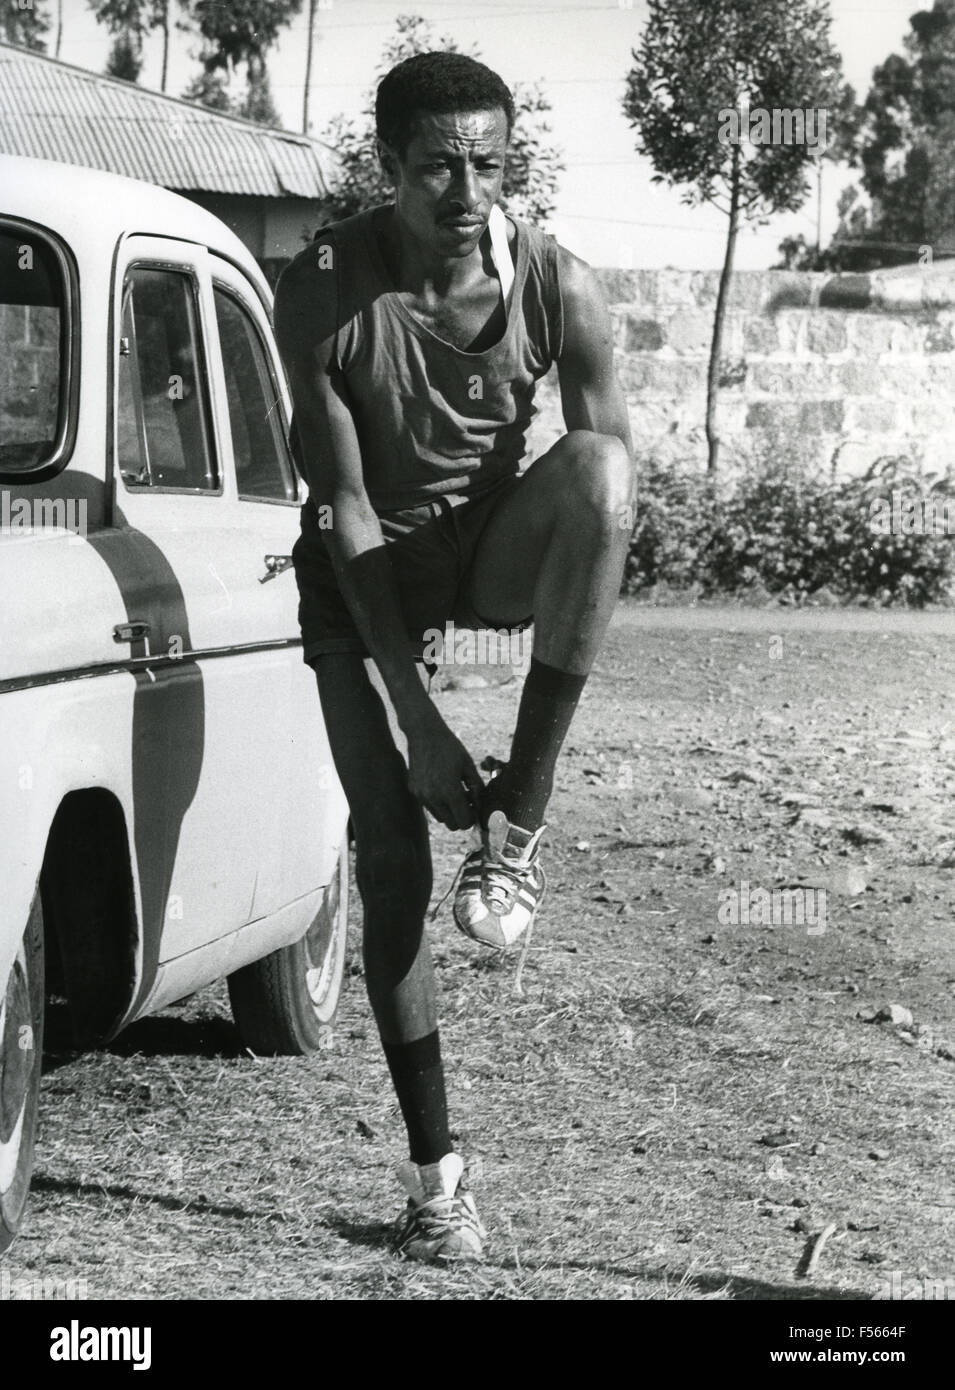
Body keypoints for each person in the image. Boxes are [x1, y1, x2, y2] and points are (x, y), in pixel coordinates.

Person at [274, 50, 634, 1265]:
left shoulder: (557, 285)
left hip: (481, 550)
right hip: (359, 564)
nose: (469, 192)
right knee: (389, 859)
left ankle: (521, 817)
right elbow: (347, 509)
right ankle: (436, 1181)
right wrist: (420, 723)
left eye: (490, 164)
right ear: (389, 167)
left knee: (602, 471)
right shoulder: (325, 287)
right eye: (439, 167)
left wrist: (502, 771)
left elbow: (604, 519)